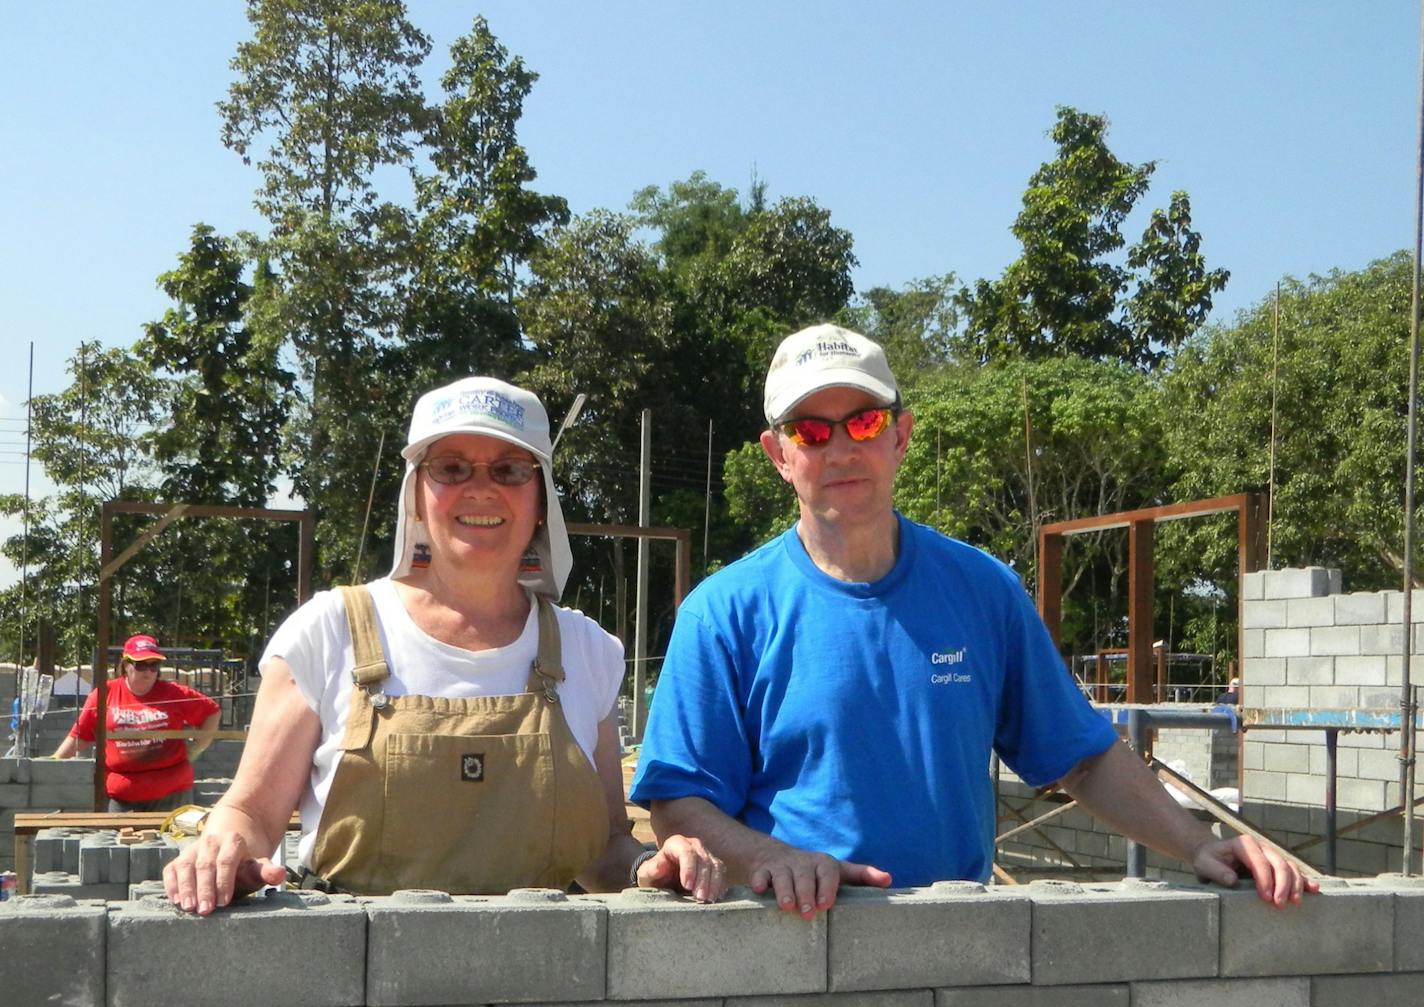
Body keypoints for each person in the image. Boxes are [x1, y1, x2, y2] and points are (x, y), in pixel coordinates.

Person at [631, 324, 1317, 917]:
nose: (840, 449)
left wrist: (1200, 844)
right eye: (811, 431)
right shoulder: (724, 613)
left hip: (956, 951)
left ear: (901, 435)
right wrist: (771, 857)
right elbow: (678, 803)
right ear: (779, 455)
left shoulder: (983, 591)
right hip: (793, 936)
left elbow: (1081, 757)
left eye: (863, 422)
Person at [165, 377, 723, 915]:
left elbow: (603, 847)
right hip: (347, 995)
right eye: (450, 468)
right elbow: (253, 813)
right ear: (415, 494)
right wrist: (224, 847)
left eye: (509, 469)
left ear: (539, 498)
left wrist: (647, 866)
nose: (481, 488)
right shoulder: (329, 632)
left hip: (542, 989)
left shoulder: (585, 651)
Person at [53, 635, 221, 812]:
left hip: (172, 794)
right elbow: (80, 736)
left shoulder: (174, 693)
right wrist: (53, 763)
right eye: (140, 665)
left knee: (173, 840)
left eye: (154, 665)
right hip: (121, 796)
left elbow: (212, 712)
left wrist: (196, 749)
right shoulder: (105, 694)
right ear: (126, 665)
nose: (148, 671)